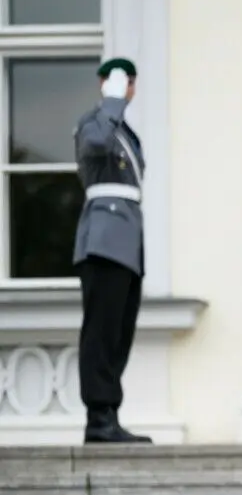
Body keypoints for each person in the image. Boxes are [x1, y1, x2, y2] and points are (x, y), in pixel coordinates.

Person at [71, 57, 151, 444]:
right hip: (104, 239)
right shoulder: (96, 122)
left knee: (119, 331)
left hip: (126, 241)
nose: (126, 88)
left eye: (129, 82)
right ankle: (98, 417)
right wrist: (112, 102)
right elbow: (96, 145)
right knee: (101, 331)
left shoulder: (123, 129)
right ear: (105, 84)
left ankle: (110, 414)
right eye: (119, 81)